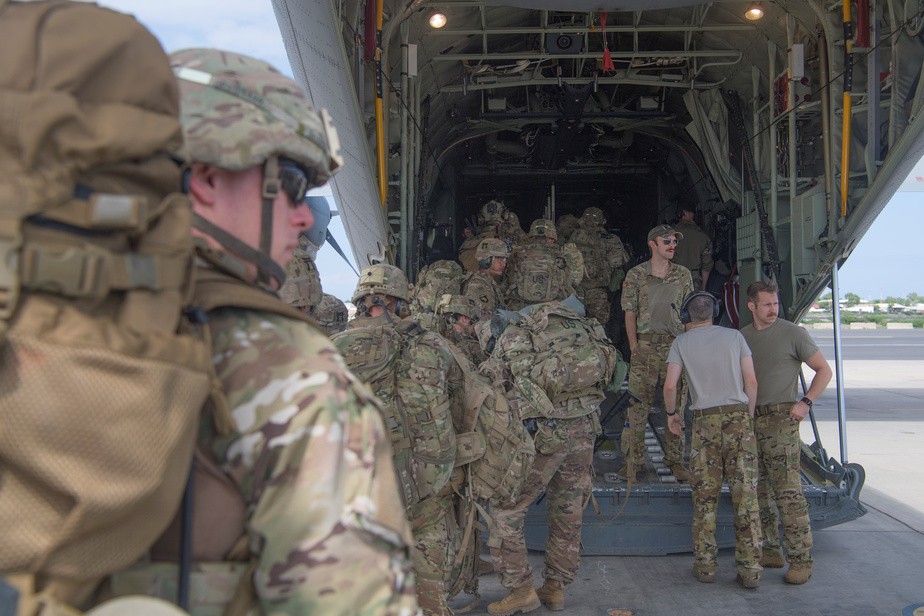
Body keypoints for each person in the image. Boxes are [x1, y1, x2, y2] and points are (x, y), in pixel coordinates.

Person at [119, 49, 418, 615]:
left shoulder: (49, 315)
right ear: (206, 178)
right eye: (292, 185)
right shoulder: (287, 373)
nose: (304, 218)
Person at [333, 264, 462, 616]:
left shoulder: (334, 349)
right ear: (401, 300)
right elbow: (458, 399)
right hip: (428, 475)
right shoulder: (432, 344)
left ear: (361, 302)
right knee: (428, 561)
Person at [484, 300, 615, 615]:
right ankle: (555, 589)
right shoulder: (580, 329)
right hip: (584, 427)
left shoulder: (516, 333)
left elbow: (497, 381)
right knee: (567, 509)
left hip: (544, 433)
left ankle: (521, 590)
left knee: (506, 510)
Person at [663, 291, 762, 588]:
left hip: (705, 423)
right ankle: (750, 571)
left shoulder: (681, 343)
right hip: (738, 420)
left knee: (705, 499)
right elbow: (751, 381)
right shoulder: (735, 337)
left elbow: (670, 386)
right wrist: (747, 417)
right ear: (715, 311)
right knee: (746, 497)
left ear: (687, 315)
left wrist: (671, 415)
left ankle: (705, 567)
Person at [741, 280, 832, 585]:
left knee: (789, 493)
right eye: (767, 304)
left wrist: (806, 402)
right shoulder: (743, 337)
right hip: (752, 420)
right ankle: (770, 550)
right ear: (752, 306)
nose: (773, 309)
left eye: (775, 303)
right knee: (759, 491)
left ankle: (801, 560)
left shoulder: (793, 333)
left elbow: (824, 370)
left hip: (782, 420)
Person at [619, 224, 693, 482]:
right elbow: (630, 313)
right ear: (653, 244)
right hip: (646, 347)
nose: (672, 245)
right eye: (667, 241)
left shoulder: (683, 274)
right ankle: (633, 462)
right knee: (637, 407)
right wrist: (634, 347)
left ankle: (675, 460)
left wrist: (689, 347)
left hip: (675, 347)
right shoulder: (636, 275)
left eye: (674, 241)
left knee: (677, 406)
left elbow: (688, 313)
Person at [504, 219, 583, 311]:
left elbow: (505, 280)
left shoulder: (517, 253)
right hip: (555, 309)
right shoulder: (562, 253)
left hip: (520, 308)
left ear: (531, 237)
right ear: (553, 238)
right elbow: (575, 280)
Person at [568, 207, 628, 327]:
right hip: (599, 290)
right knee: (599, 327)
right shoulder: (611, 239)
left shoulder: (573, 237)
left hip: (575, 290)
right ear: (602, 221)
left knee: (574, 326)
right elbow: (618, 264)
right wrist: (612, 289)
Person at [462, 238, 508, 322]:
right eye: (499, 258)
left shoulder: (487, 280)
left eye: (505, 259)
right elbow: (485, 321)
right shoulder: (479, 285)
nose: (504, 263)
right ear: (486, 260)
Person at [673, 204, 714, 292]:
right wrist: (703, 287)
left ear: (681, 213)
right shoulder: (703, 236)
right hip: (694, 280)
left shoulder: (671, 234)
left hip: (673, 278)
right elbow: (706, 265)